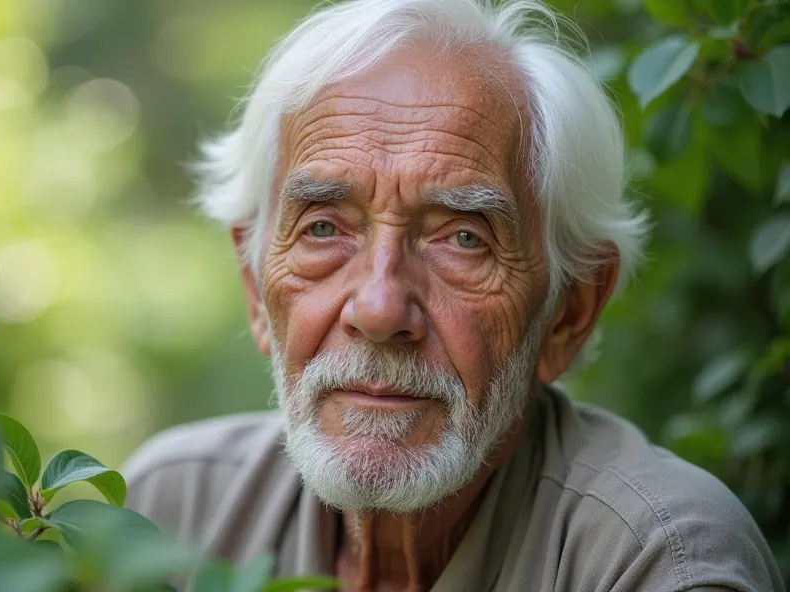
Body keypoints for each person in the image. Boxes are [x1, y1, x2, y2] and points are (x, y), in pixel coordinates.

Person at [121, 0, 785, 589]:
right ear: (254, 285)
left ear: (568, 312)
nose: (379, 310)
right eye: (324, 228)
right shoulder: (170, 509)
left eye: (463, 239)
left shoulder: (657, 564)